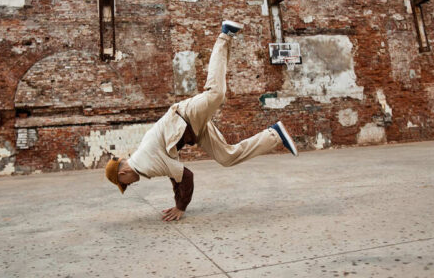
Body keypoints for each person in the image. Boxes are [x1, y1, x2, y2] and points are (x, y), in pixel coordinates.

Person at [105, 21, 298, 221]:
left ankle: (225, 35)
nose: (130, 184)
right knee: (226, 157)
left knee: (216, 93)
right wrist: (178, 202)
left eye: (125, 183)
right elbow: (175, 175)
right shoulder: (144, 161)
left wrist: (181, 207)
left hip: (185, 116)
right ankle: (274, 134)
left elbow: (185, 176)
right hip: (192, 130)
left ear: (123, 172)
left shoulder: (144, 164)